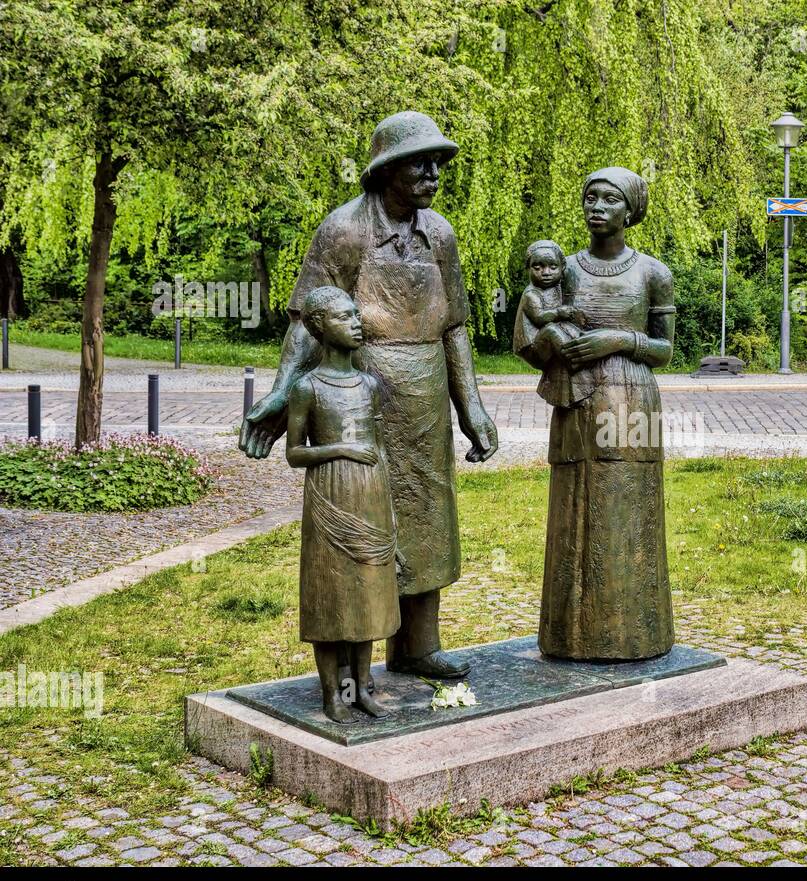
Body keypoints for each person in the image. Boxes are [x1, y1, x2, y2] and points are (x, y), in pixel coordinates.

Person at [240, 112, 497, 680]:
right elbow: (307, 319)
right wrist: (281, 393)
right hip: (365, 396)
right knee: (368, 523)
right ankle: (356, 653)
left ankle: (418, 646)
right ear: (386, 170)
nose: (433, 173)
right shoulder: (345, 229)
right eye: (419, 163)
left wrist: (471, 406)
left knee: (428, 516)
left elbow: (454, 326)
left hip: (426, 394)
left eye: (438, 163)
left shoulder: (442, 235)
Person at [514, 167, 676, 660]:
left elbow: (666, 350)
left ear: (631, 211)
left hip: (633, 395)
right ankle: (570, 635)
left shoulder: (653, 272)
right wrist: (551, 341)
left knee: (631, 505)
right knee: (575, 504)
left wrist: (620, 339)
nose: (597, 207)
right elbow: (529, 334)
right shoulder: (561, 269)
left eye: (609, 199)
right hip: (577, 396)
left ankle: (639, 633)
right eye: (590, 198)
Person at [286, 287, 398, 724]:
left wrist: (389, 512)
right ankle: (333, 692)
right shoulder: (307, 387)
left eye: (356, 314)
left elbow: (382, 448)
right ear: (320, 327)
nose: (356, 323)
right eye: (344, 317)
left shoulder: (370, 385)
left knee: (366, 592)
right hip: (330, 492)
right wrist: (340, 449)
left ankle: (362, 688)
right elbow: (295, 453)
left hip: (370, 492)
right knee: (331, 593)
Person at [517, 239, 598, 408]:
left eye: (553, 267)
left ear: (562, 268)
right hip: (534, 348)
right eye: (537, 267)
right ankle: (576, 360)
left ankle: (583, 344)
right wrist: (558, 312)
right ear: (528, 268)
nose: (545, 272)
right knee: (552, 330)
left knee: (567, 327)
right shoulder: (531, 294)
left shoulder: (558, 287)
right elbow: (539, 317)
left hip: (549, 343)